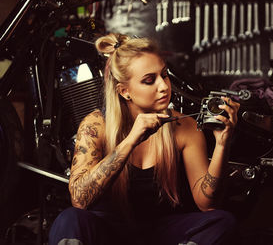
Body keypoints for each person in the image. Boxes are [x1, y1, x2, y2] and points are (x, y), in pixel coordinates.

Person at [49, 33, 240, 245]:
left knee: (222, 221)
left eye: (164, 75)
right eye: (149, 80)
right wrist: (131, 140)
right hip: (108, 234)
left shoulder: (183, 126)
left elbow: (206, 204)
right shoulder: (96, 126)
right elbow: (80, 199)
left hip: (160, 233)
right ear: (125, 92)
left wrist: (223, 144)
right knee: (69, 219)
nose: (164, 86)